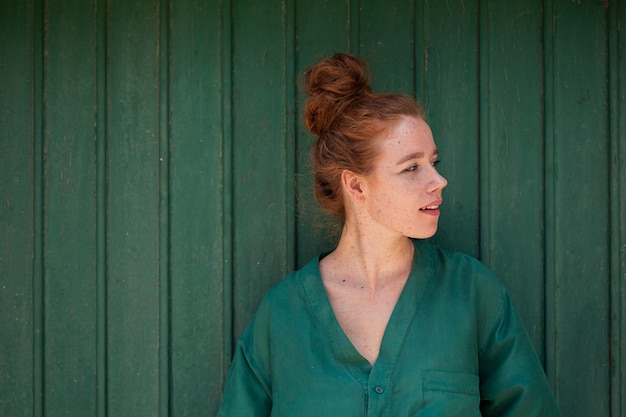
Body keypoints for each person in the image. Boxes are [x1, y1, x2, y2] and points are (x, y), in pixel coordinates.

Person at [217, 53, 560, 416]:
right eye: (412, 167)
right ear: (356, 185)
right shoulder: (283, 316)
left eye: (434, 162)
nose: (438, 181)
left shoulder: (471, 294)